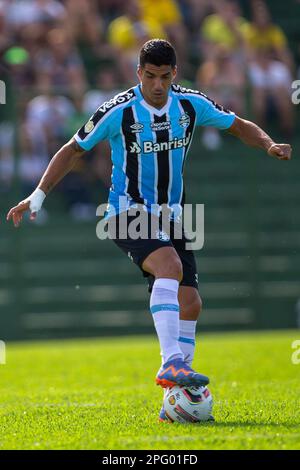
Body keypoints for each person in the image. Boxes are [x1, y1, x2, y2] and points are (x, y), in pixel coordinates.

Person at [7, 39, 292, 423]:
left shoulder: (190, 104)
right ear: (138, 73)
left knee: (191, 303)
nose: (157, 85)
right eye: (150, 76)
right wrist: (38, 196)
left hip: (174, 215)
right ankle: (171, 363)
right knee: (169, 267)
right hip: (127, 211)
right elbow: (73, 149)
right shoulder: (118, 110)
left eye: (164, 76)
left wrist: (268, 143)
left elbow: (238, 125)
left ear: (174, 74)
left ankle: (177, 401)